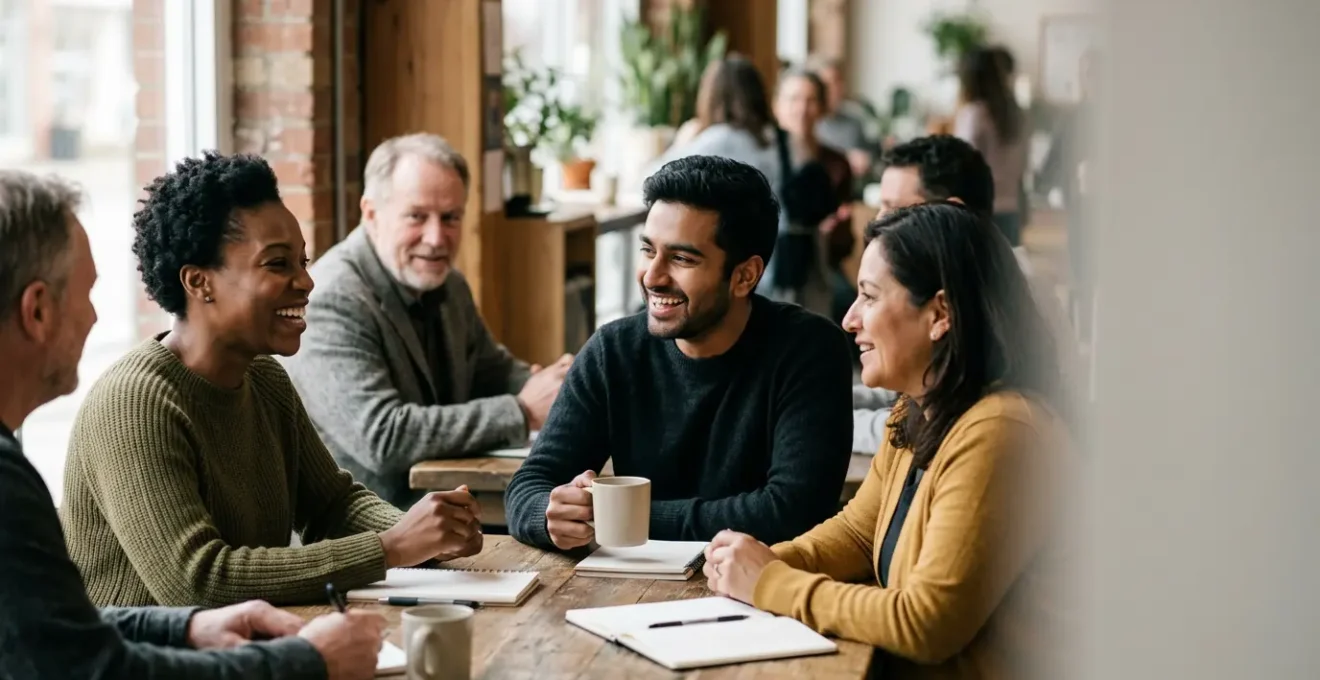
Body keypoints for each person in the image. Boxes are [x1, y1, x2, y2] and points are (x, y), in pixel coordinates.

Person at [0, 170, 386, 680]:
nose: (95, 317)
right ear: (38, 311)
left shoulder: (265, 380)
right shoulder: (20, 476)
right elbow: (96, 665)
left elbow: (67, 631)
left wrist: (183, 629)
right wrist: (306, 661)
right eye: (86, 293)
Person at [60, 151, 483, 609]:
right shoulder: (135, 403)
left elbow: (331, 507)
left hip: (240, 650)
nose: (306, 282)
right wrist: (394, 546)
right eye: (278, 264)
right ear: (199, 282)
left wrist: (435, 531)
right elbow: (198, 581)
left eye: (303, 262)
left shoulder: (264, 378)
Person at [702, 202, 1077, 679]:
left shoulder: (1002, 430)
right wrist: (763, 562)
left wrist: (771, 582)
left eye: (870, 297)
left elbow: (926, 623)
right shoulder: (920, 406)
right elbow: (860, 533)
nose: (850, 319)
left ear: (940, 313)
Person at [504, 155, 854, 551]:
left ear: (744, 276)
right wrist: (549, 515)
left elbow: (794, 511)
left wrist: (624, 515)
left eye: (682, 258)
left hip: (764, 593)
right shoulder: (613, 350)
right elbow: (528, 487)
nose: (652, 276)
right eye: (648, 250)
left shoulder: (810, 350)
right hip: (628, 594)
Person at [280, 133, 567, 508]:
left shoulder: (449, 284)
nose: (436, 238)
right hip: (363, 537)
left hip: (447, 512)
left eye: (451, 218)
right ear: (371, 214)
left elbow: (492, 371)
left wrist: (562, 388)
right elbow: (383, 436)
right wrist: (523, 410)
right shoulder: (331, 298)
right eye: (417, 216)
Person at [853, 135, 1077, 455]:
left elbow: (936, 426)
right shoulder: (968, 276)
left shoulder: (998, 289)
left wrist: (813, 421)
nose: (878, 221)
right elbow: (918, 397)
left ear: (950, 211)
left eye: (895, 209)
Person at [773, 65, 857, 324]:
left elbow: (846, 242)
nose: (801, 109)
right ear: (777, 106)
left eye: (810, 100)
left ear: (822, 107)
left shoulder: (836, 163)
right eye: (793, 99)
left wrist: (835, 229)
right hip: (771, 263)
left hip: (821, 265)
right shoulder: (764, 158)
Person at [953, 46, 1030, 247]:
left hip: (981, 212)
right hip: (1011, 209)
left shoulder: (974, 114)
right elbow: (1023, 166)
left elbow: (962, 166)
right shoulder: (1017, 114)